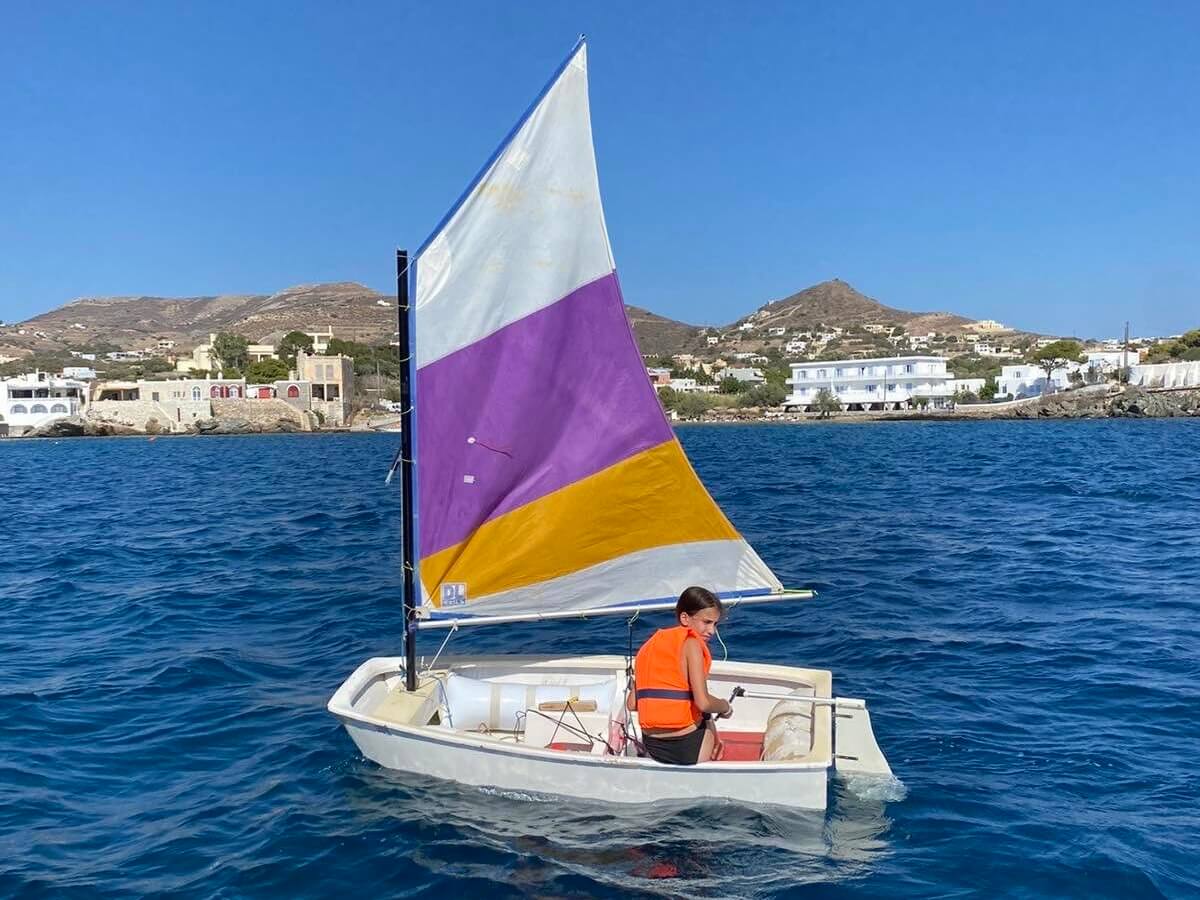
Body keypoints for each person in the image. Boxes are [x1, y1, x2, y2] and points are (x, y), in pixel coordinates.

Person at [632, 586, 732, 765]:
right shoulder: (691, 644)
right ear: (684, 618)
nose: (712, 631)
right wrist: (725, 707)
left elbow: (632, 704)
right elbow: (703, 702)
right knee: (707, 715)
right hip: (686, 748)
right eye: (707, 622)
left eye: (715, 624)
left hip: (652, 745)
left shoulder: (648, 646)